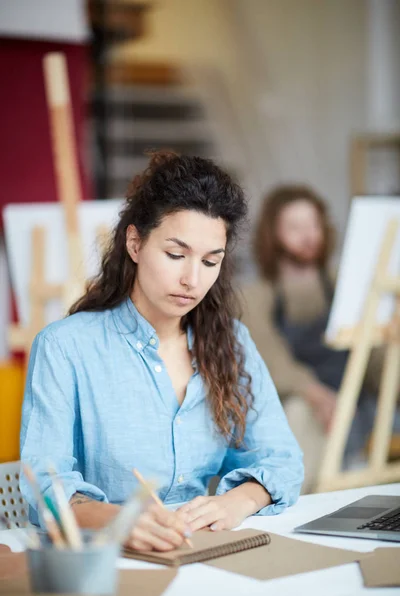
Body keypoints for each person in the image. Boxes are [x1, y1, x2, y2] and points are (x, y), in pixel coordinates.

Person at [20, 153, 303, 552]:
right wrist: (120, 522)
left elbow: (283, 459)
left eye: (210, 261)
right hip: (104, 558)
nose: (192, 279)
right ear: (135, 243)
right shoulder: (65, 347)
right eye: (175, 255)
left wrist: (236, 502)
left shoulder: (231, 341)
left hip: (200, 551)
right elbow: (43, 488)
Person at [241, 185, 379, 492]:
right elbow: (271, 361)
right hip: (300, 402)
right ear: (272, 234)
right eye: (295, 227)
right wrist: (315, 393)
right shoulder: (257, 294)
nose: (308, 235)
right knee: (299, 416)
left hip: (354, 399)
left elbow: (373, 357)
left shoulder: (346, 283)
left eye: (313, 225)